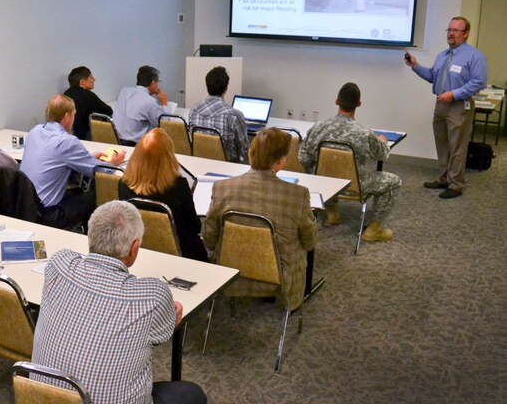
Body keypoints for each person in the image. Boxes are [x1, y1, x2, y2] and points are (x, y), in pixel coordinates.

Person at [32, 201, 207, 404]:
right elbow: (162, 334)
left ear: (89, 236)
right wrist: (170, 316)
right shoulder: (153, 295)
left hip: (40, 397)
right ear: (134, 248)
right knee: (192, 394)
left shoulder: (59, 263)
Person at [204, 128, 317, 311]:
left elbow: (209, 239)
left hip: (232, 270)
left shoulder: (221, 188)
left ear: (250, 153)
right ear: (280, 163)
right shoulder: (298, 195)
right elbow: (310, 241)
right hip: (281, 276)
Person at [298, 83, 402, 242]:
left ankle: (332, 212)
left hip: (322, 183)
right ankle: (373, 230)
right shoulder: (363, 133)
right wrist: (381, 140)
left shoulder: (318, 127)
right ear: (359, 104)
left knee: (326, 169)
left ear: (336, 101)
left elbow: (303, 158)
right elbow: (382, 155)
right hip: (353, 186)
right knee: (394, 181)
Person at [405, 16, 488, 199]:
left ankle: (456, 184)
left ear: (466, 34)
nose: (450, 34)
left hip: (459, 106)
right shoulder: (443, 55)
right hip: (441, 104)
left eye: (455, 30)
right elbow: (432, 76)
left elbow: (479, 82)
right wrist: (415, 66)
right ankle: (443, 179)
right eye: (449, 30)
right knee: (442, 144)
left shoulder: (475, 56)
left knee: (457, 146)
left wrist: (454, 94)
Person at [20, 95, 125, 229]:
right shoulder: (67, 141)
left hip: (26, 206)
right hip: (48, 214)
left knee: (77, 191)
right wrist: (114, 163)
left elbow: (56, 158)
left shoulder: (35, 131)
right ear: (67, 116)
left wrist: (88, 158)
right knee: (96, 194)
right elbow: (98, 171)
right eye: (74, 115)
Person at [118, 129, 208, 261]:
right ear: (168, 157)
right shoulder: (178, 186)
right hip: (182, 253)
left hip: (139, 249)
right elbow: (194, 226)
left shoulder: (124, 184)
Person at [188, 66, 251, 163]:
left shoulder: (193, 111)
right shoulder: (234, 115)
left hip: (199, 163)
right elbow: (245, 150)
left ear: (207, 86)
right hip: (228, 167)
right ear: (226, 88)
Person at [113, 65, 168, 145]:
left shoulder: (124, 91)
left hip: (115, 140)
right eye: (157, 82)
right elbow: (164, 125)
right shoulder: (150, 101)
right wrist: (164, 103)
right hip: (134, 145)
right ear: (153, 83)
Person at [63, 66, 113, 140]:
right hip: (82, 136)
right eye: (91, 77)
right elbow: (108, 111)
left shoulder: (66, 93)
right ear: (82, 82)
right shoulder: (87, 95)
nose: (94, 80)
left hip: (68, 134)